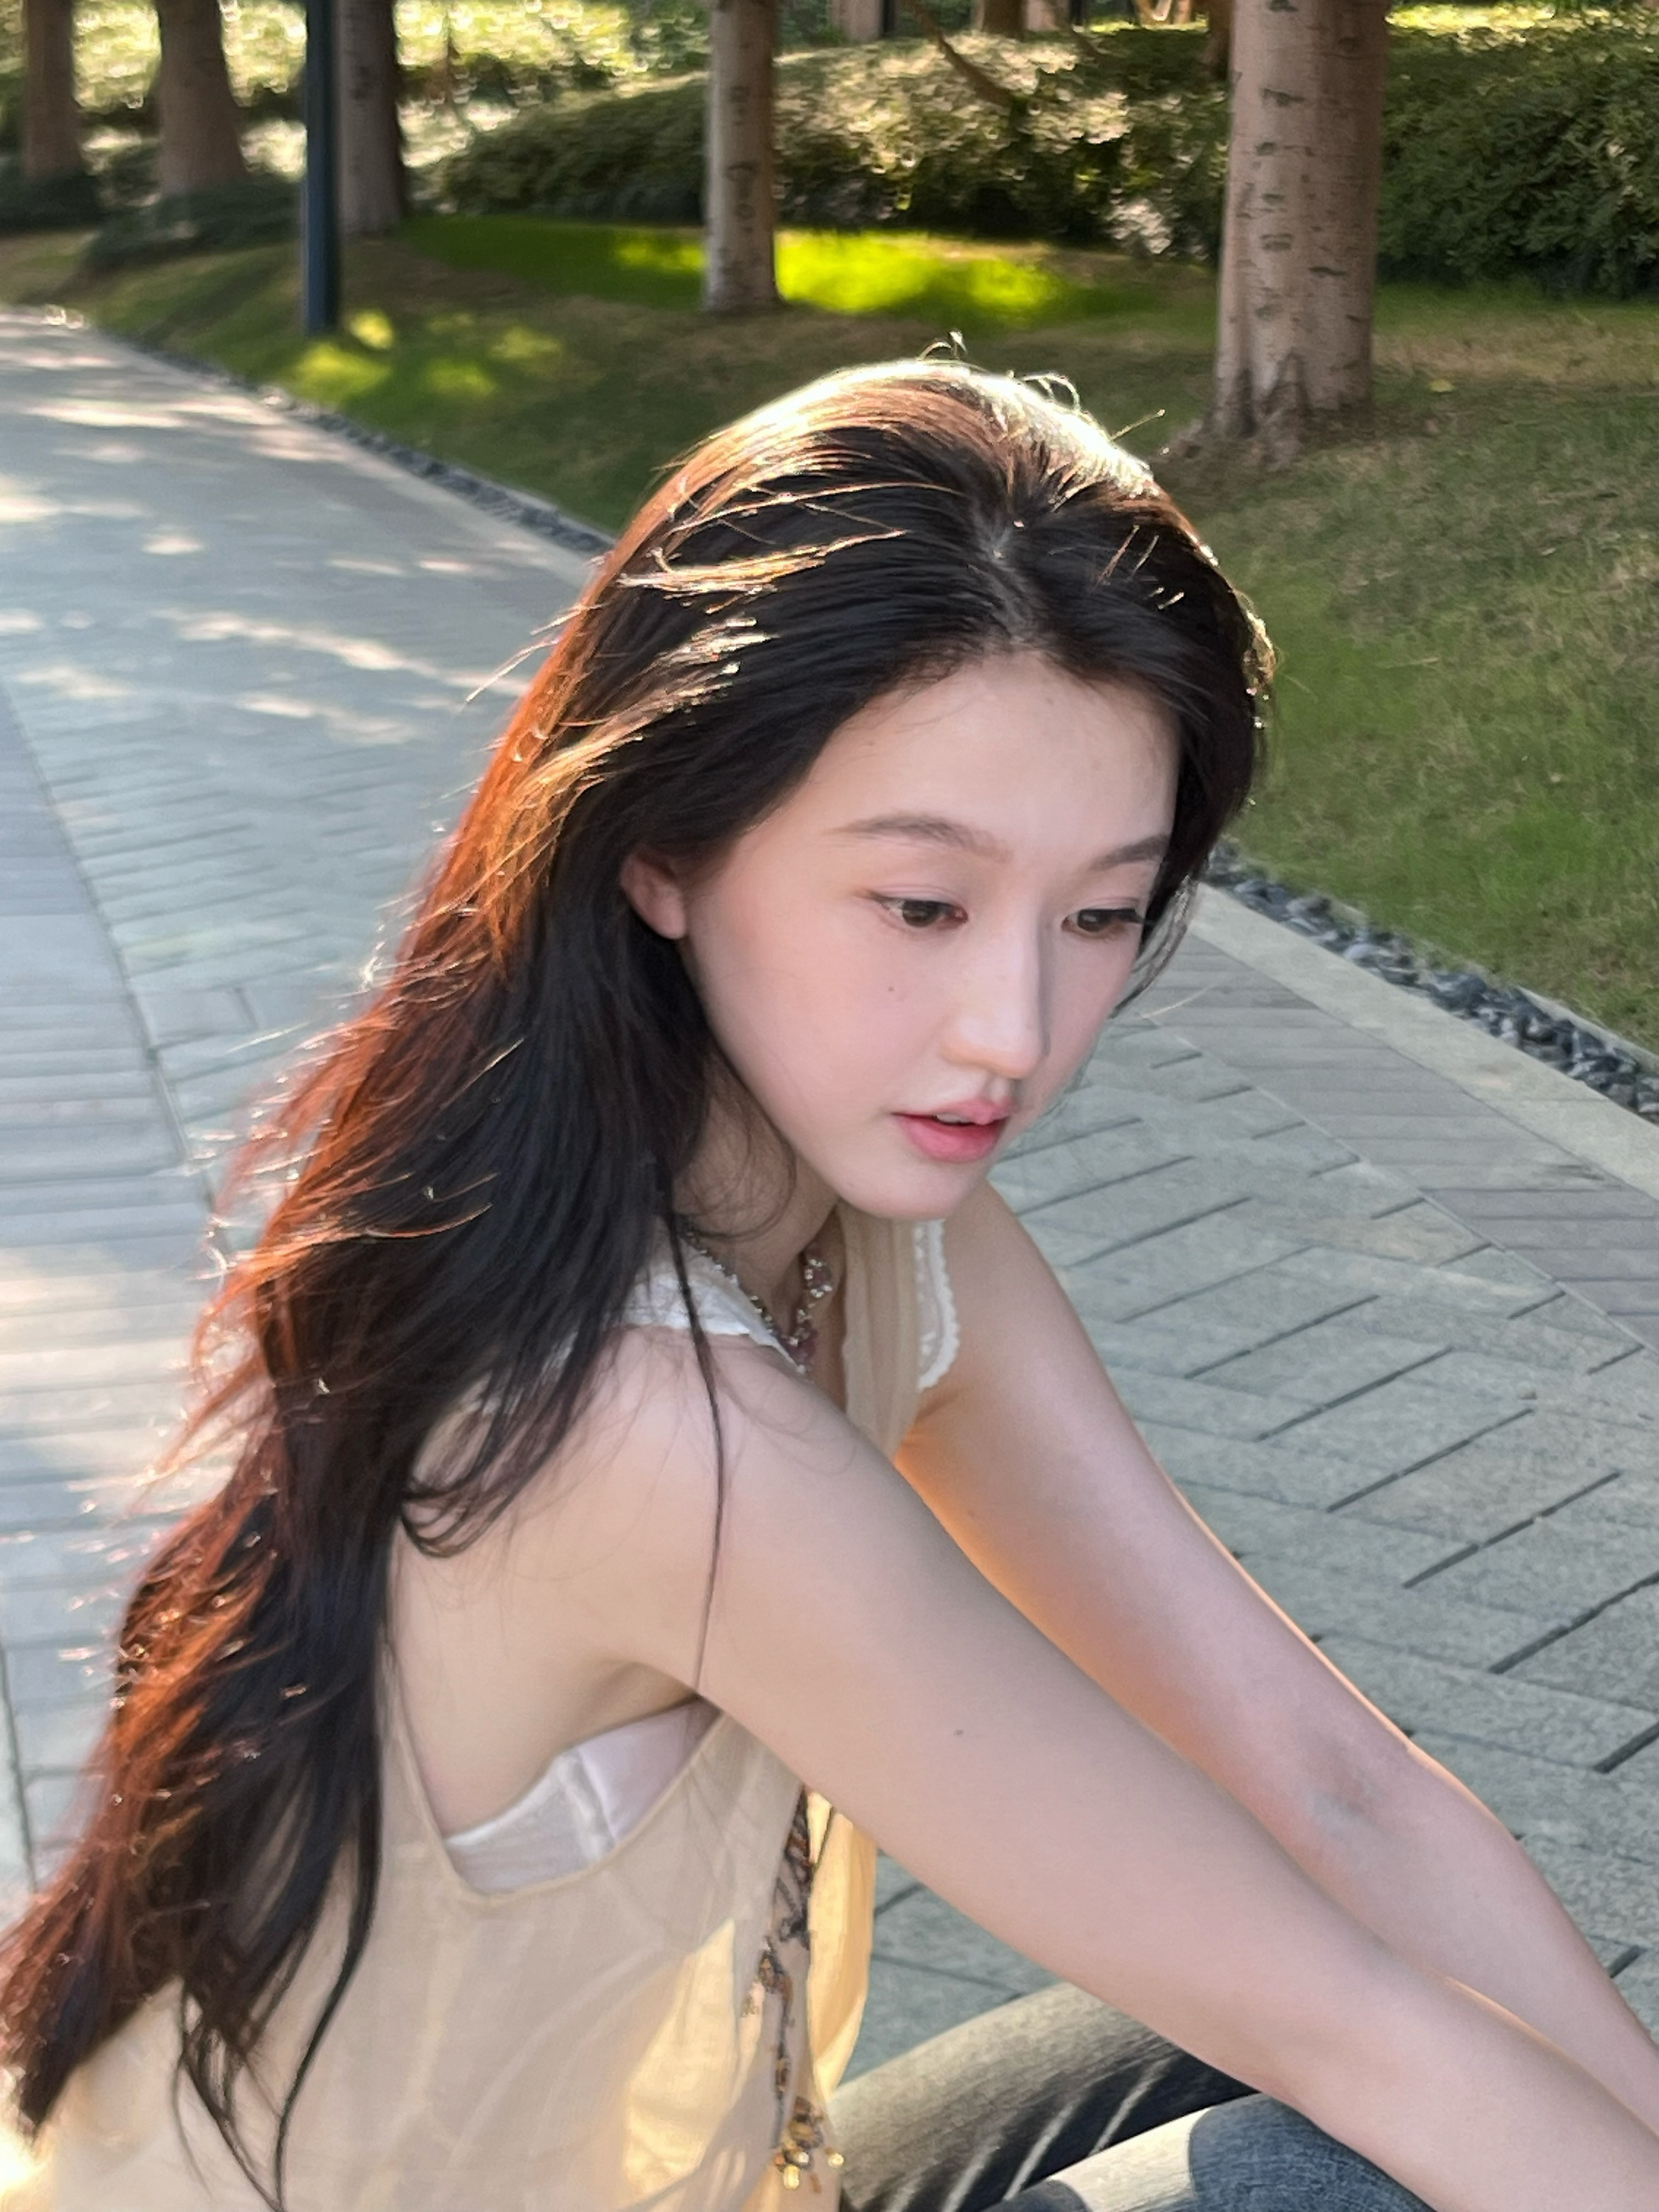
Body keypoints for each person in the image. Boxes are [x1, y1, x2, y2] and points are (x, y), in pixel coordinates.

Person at [1, 362, 1656, 2212]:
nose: (1013, 1028)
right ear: (664, 847)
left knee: (1376, 1996)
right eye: (924, 906)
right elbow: (1364, 2038)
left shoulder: (880, 1234)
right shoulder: (645, 1430)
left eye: (1100, 913)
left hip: (738, 2175)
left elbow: (1335, 1786)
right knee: (1357, 2145)